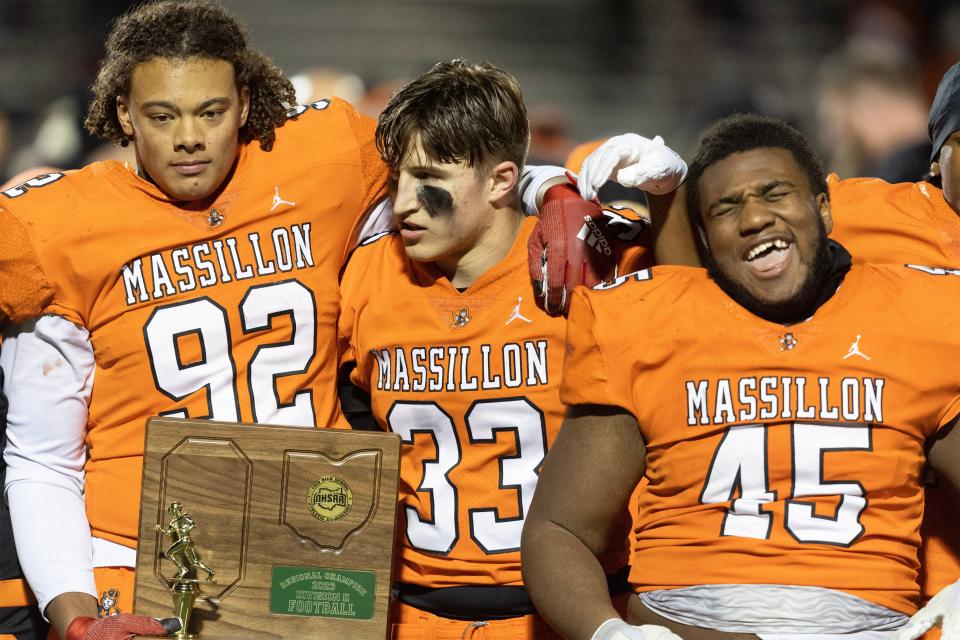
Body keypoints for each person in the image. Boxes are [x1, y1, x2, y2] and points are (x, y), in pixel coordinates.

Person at [0, 4, 590, 638]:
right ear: (123, 114)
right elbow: (40, 456)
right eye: (161, 116)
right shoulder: (53, 225)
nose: (190, 138)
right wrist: (75, 616)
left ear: (246, 101)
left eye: (212, 111)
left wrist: (551, 191)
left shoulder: (325, 151)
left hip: (316, 548)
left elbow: (462, 170)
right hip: (140, 556)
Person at [521, 114, 960, 640]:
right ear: (704, 236)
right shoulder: (651, 321)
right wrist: (609, 633)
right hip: (682, 625)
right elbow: (560, 528)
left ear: (823, 208)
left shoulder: (922, 313)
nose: (754, 218)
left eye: (775, 193)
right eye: (726, 207)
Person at [338, 59, 641, 640]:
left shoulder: (589, 259)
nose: (402, 203)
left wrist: (567, 184)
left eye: (428, 179)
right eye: (397, 178)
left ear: (503, 180)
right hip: (410, 612)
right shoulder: (369, 275)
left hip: (567, 612)